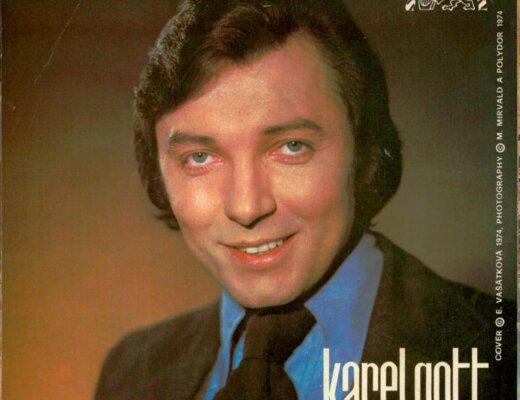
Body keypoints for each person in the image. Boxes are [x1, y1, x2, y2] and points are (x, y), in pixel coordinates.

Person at [95, 1, 515, 399]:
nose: (246, 207)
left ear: (364, 151)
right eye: (200, 158)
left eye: (291, 147)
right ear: (158, 174)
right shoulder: (131, 372)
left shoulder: (504, 357)